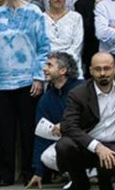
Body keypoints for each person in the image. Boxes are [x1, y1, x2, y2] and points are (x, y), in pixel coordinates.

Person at [0, 0, 50, 186]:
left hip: (28, 81)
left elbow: (44, 47)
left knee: (29, 130)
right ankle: (5, 174)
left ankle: (32, 173)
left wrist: (40, 77)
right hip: (0, 82)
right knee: (4, 131)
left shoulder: (35, 13)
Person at [55, 52, 115, 190]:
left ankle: (105, 183)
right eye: (98, 69)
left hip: (113, 143)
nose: (102, 73)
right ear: (91, 71)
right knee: (64, 145)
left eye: (107, 68)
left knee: (112, 163)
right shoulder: (78, 93)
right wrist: (97, 147)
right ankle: (80, 182)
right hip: (86, 143)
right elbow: (69, 126)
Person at [27, 52, 82, 189]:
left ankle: (91, 172)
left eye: (49, 65)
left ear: (63, 70)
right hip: (66, 143)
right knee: (47, 156)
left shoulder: (82, 89)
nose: (44, 68)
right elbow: (41, 134)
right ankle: (80, 175)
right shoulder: (46, 99)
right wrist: (38, 173)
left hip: (90, 140)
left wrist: (65, 126)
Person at [44, 0, 84, 79]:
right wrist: (52, 65)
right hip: (47, 72)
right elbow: (39, 48)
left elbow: (77, 46)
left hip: (71, 72)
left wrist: (61, 64)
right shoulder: (39, 18)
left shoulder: (76, 17)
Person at [74, 0, 108, 78]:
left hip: (114, 51)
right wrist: (96, 10)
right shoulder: (80, 4)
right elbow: (85, 31)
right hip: (93, 52)